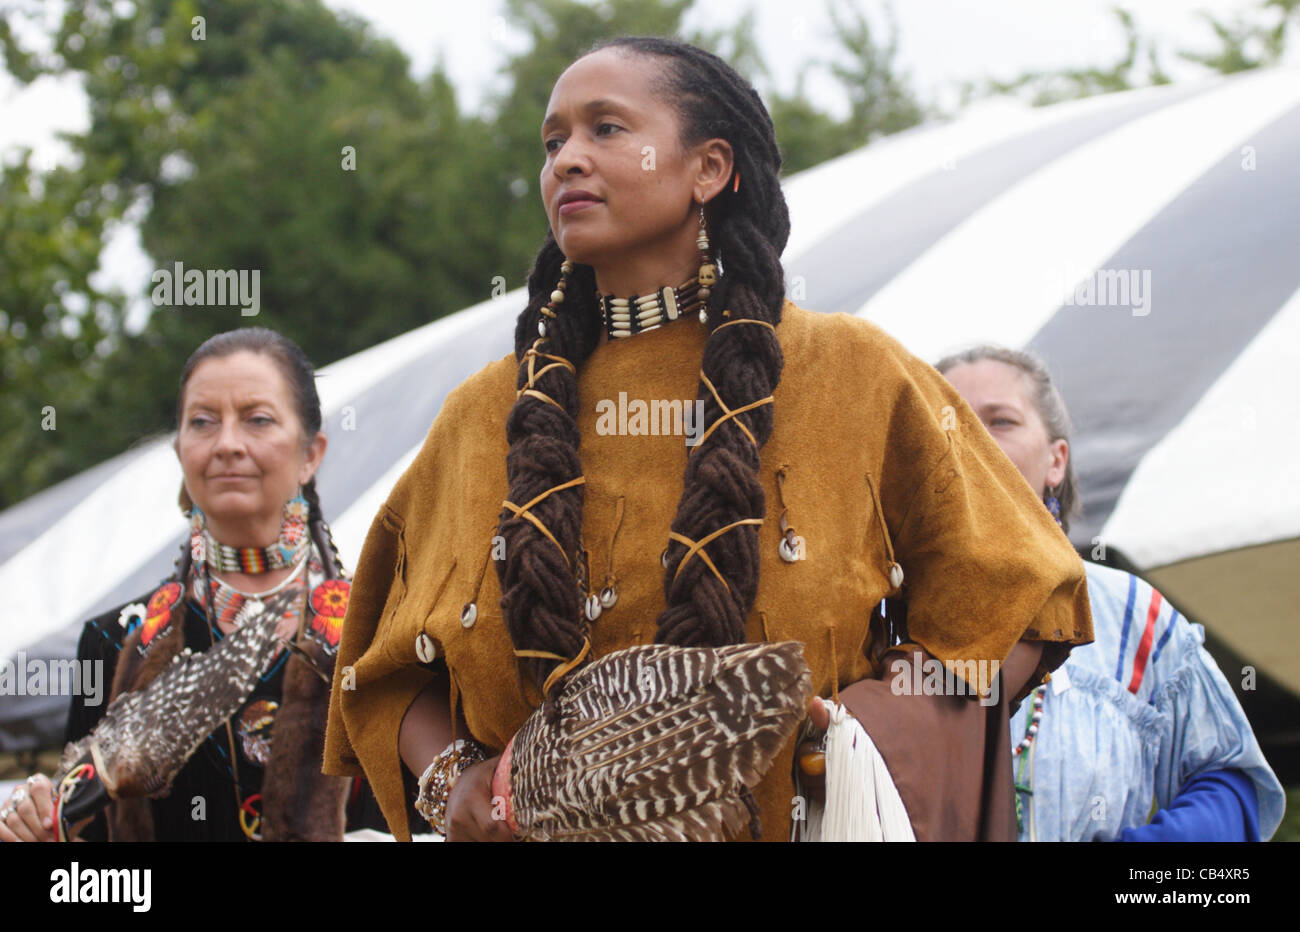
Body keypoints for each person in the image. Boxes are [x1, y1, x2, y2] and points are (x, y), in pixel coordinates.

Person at [324, 36, 1094, 842]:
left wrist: (873, 733)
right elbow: (380, 670)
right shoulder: (482, 416)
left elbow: (1023, 596)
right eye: (554, 143)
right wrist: (454, 779)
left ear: (710, 169)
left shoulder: (852, 373)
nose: (566, 162)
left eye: (606, 130)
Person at [0, 328, 390, 842]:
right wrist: (42, 830)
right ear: (180, 451)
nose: (228, 444)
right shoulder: (115, 643)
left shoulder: (381, 631)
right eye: (203, 422)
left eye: (258, 419)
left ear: (310, 454)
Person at [937, 344, 1285, 841]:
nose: (975, 438)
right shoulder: (879, 612)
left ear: (1056, 460)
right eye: (954, 420)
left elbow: (1231, 780)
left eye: (1001, 421)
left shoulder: (1130, 616)